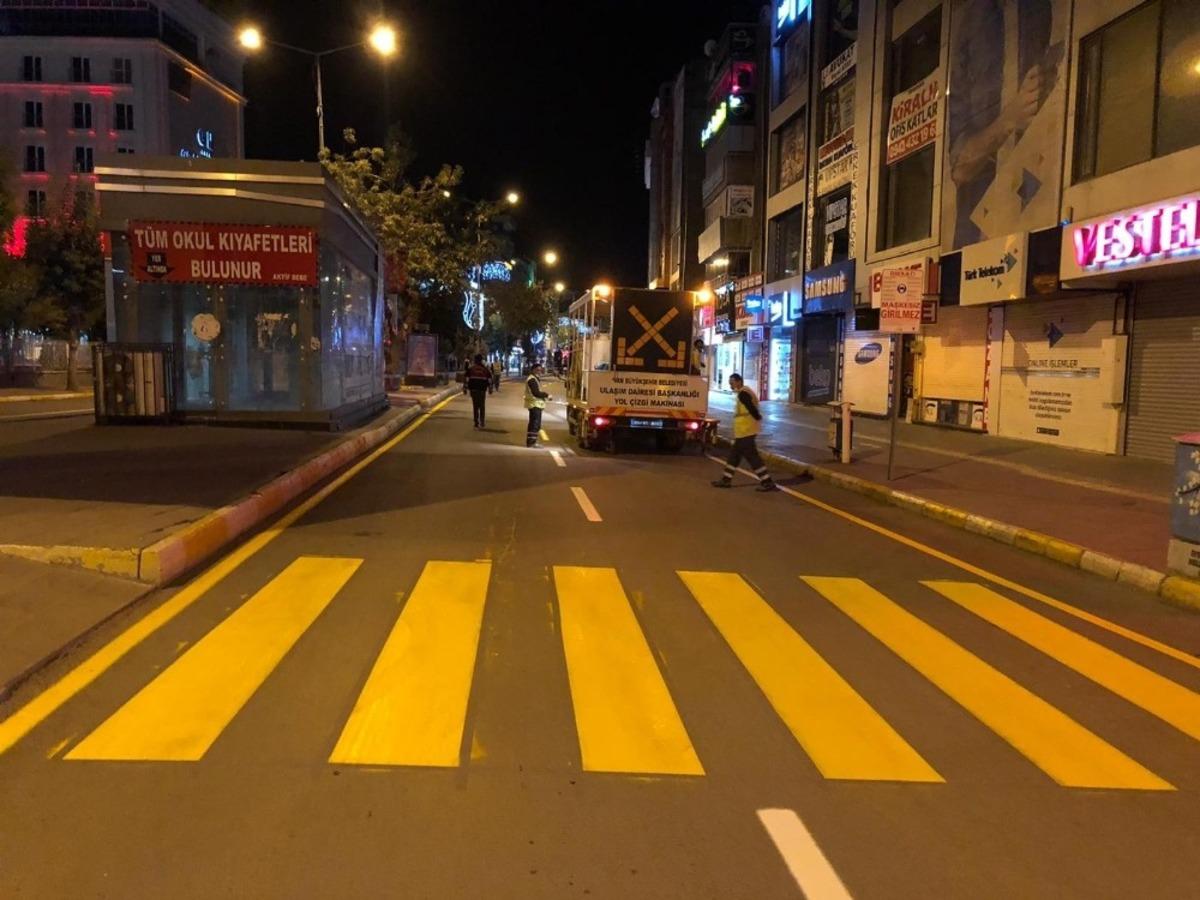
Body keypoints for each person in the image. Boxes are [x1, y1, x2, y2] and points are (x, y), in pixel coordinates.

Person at [712, 373, 777, 492]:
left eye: (732, 382)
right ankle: (726, 480)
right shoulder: (744, 392)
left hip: (746, 430)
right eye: (729, 382)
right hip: (744, 431)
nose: (730, 385)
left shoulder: (743, 394)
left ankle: (767, 482)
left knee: (752, 457)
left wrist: (757, 417)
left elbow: (751, 407)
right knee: (734, 456)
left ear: (738, 381)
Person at [524, 362, 550, 447]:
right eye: (537, 370)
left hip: (535, 404)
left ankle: (531, 441)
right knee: (535, 424)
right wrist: (547, 395)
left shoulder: (535, 378)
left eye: (540, 370)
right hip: (534, 404)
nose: (539, 371)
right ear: (533, 370)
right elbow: (536, 393)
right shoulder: (532, 379)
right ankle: (532, 442)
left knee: (533, 424)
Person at [464, 354, 492, 429]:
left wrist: (465, 388)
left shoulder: (471, 369)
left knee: (475, 406)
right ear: (481, 360)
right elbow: (489, 379)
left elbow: (466, 379)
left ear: (475, 360)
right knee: (482, 406)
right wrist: (490, 388)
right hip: (482, 390)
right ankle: (482, 421)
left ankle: (476, 422)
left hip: (473, 390)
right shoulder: (485, 369)